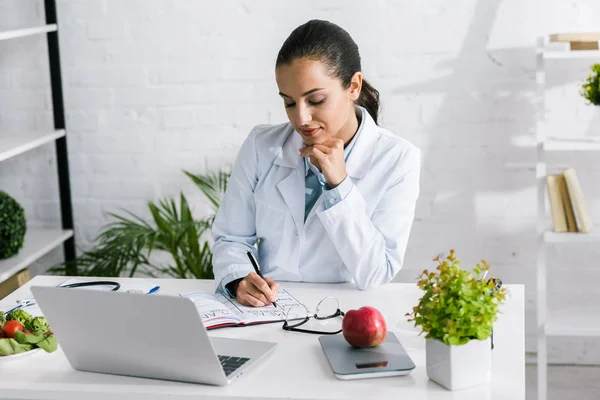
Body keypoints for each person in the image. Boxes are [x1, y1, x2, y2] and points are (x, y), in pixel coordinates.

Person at [211, 19, 421, 307]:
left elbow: (376, 272)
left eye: (317, 100)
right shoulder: (262, 146)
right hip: (268, 312)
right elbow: (231, 238)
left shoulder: (398, 159)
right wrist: (238, 279)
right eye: (289, 102)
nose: (301, 119)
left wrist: (340, 186)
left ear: (353, 86)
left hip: (345, 314)